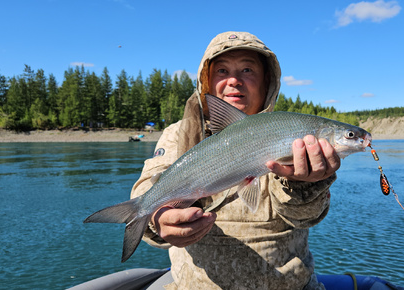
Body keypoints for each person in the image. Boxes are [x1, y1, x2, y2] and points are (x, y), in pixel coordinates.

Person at [131, 31, 340, 289]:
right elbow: (148, 183)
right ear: (206, 82)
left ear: (267, 83)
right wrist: (157, 217)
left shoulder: (293, 136)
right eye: (221, 71)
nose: (234, 81)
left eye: (247, 70)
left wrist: (305, 184)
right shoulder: (178, 134)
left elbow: (303, 217)